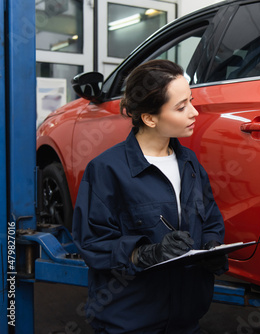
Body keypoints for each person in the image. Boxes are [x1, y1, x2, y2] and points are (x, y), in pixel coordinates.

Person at [72, 59, 227, 334]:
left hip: (186, 320)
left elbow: (211, 219)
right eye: (181, 107)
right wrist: (143, 253)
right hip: (129, 322)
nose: (194, 112)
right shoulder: (108, 170)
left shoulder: (189, 163)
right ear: (149, 118)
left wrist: (212, 247)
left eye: (190, 101)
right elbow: (92, 243)